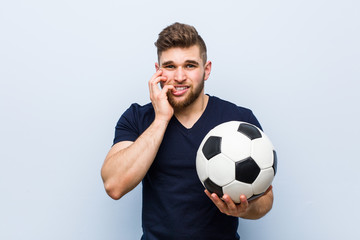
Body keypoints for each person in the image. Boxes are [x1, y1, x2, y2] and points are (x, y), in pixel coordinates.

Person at [101, 22, 273, 240]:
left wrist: (244, 209)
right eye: (170, 66)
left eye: (190, 65)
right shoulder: (138, 117)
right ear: (158, 71)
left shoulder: (239, 120)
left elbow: (266, 199)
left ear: (206, 69)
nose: (180, 76)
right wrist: (161, 119)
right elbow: (114, 185)